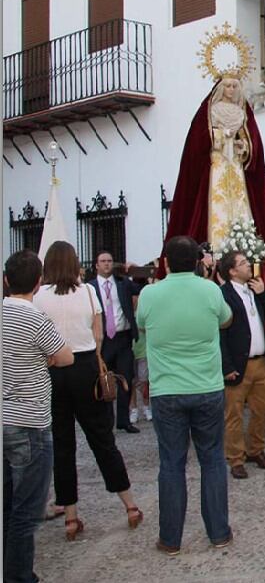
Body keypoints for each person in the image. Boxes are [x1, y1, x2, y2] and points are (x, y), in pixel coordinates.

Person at [36, 241, 142, 540]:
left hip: (53, 368)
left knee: (63, 445)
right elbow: (97, 334)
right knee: (102, 440)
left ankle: (70, 516)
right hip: (84, 365)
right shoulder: (86, 291)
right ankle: (130, 505)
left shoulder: (39, 297)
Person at [136, 236, 234, 555]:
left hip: (167, 390)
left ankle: (170, 538)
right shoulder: (210, 290)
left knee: (172, 464)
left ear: (165, 263)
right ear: (196, 262)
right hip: (206, 386)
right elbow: (226, 319)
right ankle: (219, 532)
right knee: (213, 460)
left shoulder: (151, 293)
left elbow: (141, 323)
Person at [3, 250, 73, 582]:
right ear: (38, 282)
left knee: (6, 503)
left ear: (5, 281)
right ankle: (19, 575)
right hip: (29, 419)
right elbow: (64, 356)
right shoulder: (34, 317)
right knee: (26, 510)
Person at [164, 66, 265, 258]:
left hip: (235, 166)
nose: (231, 90)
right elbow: (198, 141)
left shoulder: (242, 113)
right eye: (227, 86)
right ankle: (216, 245)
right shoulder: (210, 110)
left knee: (239, 204)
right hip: (217, 164)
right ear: (220, 87)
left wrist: (244, 146)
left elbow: (253, 143)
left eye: (235, 86)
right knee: (218, 202)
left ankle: (243, 244)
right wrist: (221, 136)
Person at [218, 251, 265, 480]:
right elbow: (220, 333)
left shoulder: (255, 289)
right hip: (238, 363)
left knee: (262, 409)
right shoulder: (223, 294)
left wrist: (264, 295)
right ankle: (235, 458)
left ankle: (256, 449)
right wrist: (226, 366)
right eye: (243, 263)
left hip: (261, 362)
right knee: (233, 414)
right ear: (232, 271)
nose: (249, 266)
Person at [88, 250, 141, 433]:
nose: (107, 264)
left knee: (126, 377)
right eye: (103, 261)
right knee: (104, 381)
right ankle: (106, 420)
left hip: (123, 337)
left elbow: (142, 289)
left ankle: (124, 420)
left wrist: (135, 271)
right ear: (96, 265)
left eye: (110, 261)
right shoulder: (90, 287)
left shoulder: (123, 284)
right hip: (103, 339)